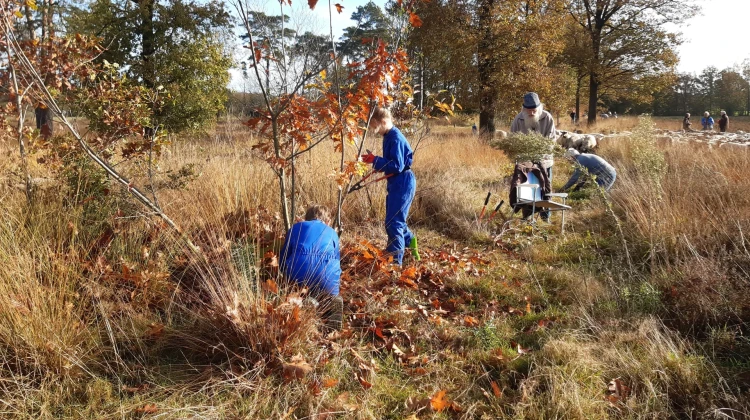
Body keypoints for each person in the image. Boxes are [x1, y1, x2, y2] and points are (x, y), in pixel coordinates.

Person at [361, 107, 419, 266]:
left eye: (375, 126)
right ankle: (409, 240)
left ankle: (395, 264)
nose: (374, 130)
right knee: (394, 219)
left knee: (393, 223)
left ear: (383, 122)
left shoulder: (395, 138)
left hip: (403, 182)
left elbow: (397, 165)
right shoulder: (388, 136)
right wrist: (373, 161)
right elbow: (390, 164)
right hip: (396, 182)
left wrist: (375, 160)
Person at [279, 204, 343, 330]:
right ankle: (330, 301)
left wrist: (283, 275)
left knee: (298, 287)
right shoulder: (332, 233)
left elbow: (284, 256)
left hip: (298, 273)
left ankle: (306, 300)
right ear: (328, 221)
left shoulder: (295, 228)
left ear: (306, 219)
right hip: (327, 276)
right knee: (325, 284)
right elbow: (337, 262)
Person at [510, 92, 557, 222]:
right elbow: (512, 139)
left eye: (534, 110)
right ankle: (527, 217)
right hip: (525, 164)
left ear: (539, 107)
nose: (531, 113)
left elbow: (551, 140)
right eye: (528, 111)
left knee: (545, 189)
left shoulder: (547, 118)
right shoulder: (518, 119)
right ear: (524, 109)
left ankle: (545, 218)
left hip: (544, 161)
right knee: (526, 190)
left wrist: (540, 153)